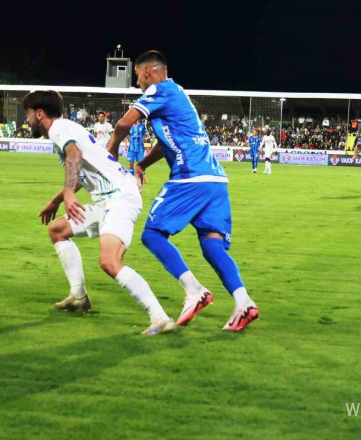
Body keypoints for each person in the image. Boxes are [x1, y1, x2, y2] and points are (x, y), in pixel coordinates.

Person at [105, 50, 259, 331]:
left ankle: (194, 290)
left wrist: (111, 150)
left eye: (138, 77)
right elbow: (166, 145)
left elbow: (124, 123)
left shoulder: (160, 90)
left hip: (191, 178)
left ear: (149, 72)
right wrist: (142, 164)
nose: (138, 83)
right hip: (215, 180)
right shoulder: (177, 93)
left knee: (152, 234)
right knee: (212, 246)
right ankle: (243, 302)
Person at [25, 91, 175, 335]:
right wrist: (57, 199)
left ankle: (160, 317)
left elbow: (75, 155)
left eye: (29, 115)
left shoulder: (59, 129)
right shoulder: (65, 129)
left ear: (39, 114)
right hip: (108, 200)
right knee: (58, 231)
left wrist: (68, 194)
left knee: (109, 261)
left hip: (119, 198)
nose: (28, 120)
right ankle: (79, 296)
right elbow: (85, 173)